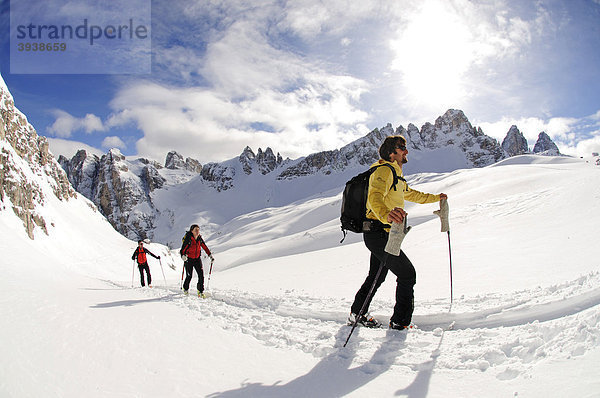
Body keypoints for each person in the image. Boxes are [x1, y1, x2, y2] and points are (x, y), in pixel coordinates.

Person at [349, 135, 447, 330]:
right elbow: (374, 197)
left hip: (382, 234)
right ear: (391, 153)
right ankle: (400, 323)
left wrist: (437, 198)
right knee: (407, 274)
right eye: (402, 147)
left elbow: (413, 195)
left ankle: (357, 314)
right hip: (379, 233)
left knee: (377, 274)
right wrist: (387, 215)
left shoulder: (397, 177)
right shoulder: (384, 170)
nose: (406, 151)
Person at [180, 224, 214, 297]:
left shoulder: (199, 238)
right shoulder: (188, 239)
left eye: (198, 230)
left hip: (197, 259)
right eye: (196, 230)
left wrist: (210, 255)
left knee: (201, 275)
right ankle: (185, 288)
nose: (197, 231)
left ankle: (200, 291)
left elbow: (204, 247)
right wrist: (183, 256)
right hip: (189, 259)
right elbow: (183, 249)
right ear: (192, 231)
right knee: (189, 276)